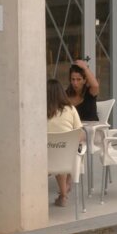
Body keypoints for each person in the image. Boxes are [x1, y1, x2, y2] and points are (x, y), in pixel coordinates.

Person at [46, 78, 84, 207]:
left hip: (46, 159)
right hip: (69, 158)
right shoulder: (71, 109)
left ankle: (63, 195)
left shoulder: (40, 111)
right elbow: (80, 134)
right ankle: (64, 193)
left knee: (57, 153)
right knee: (66, 150)